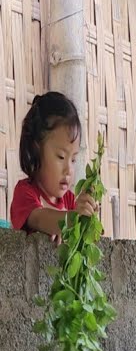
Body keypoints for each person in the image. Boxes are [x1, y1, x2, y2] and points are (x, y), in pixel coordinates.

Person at [9, 92, 100, 242]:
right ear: (36, 149)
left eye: (73, 160)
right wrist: (72, 219)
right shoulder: (25, 192)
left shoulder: (70, 200)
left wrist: (88, 219)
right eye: (61, 157)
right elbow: (39, 219)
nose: (69, 170)